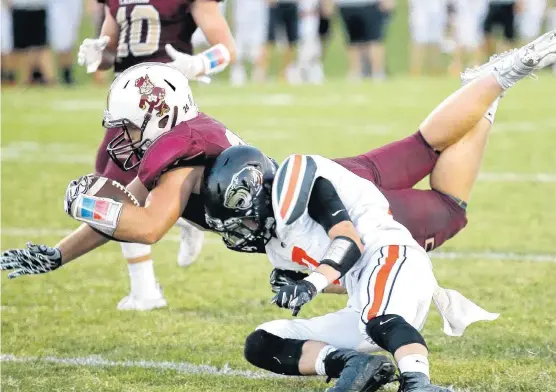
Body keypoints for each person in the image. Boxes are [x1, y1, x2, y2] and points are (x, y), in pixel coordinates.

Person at [1, 32, 555, 292]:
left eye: (127, 125)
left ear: (158, 116)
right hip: (323, 180)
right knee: (420, 146)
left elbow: (143, 223)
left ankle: (491, 91)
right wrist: (56, 254)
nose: (120, 138)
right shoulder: (179, 140)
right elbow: (123, 214)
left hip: (319, 213)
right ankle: (489, 82)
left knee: (448, 209)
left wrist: (85, 199)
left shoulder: (179, 158)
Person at [201, 145, 498, 392]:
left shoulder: (302, 184)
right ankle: (351, 364)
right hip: (365, 293)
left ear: (258, 187)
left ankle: (418, 383)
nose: (245, 227)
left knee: (378, 317)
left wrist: (310, 284)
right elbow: (342, 278)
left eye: (244, 216)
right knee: (263, 342)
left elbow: (349, 243)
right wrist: (298, 283)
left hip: (392, 256)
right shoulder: (278, 246)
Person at [75, 0, 236, 311]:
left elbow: (227, 48)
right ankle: (183, 214)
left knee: (116, 193)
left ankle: (145, 290)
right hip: (126, 108)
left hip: (162, 109)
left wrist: (199, 64)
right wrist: (100, 54)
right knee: (110, 180)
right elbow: (112, 52)